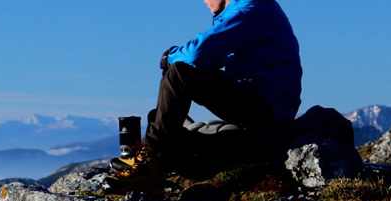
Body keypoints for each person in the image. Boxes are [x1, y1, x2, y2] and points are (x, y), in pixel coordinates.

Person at [111, 0, 303, 188]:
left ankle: (150, 160)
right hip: (264, 109)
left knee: (179, 73)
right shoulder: (249, 10)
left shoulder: (249, 8)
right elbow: (208, 59)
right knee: (181, 142)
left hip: (265, 109)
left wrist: (168, 56)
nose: (204, 3)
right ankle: (147, 165)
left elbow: (196, 54)